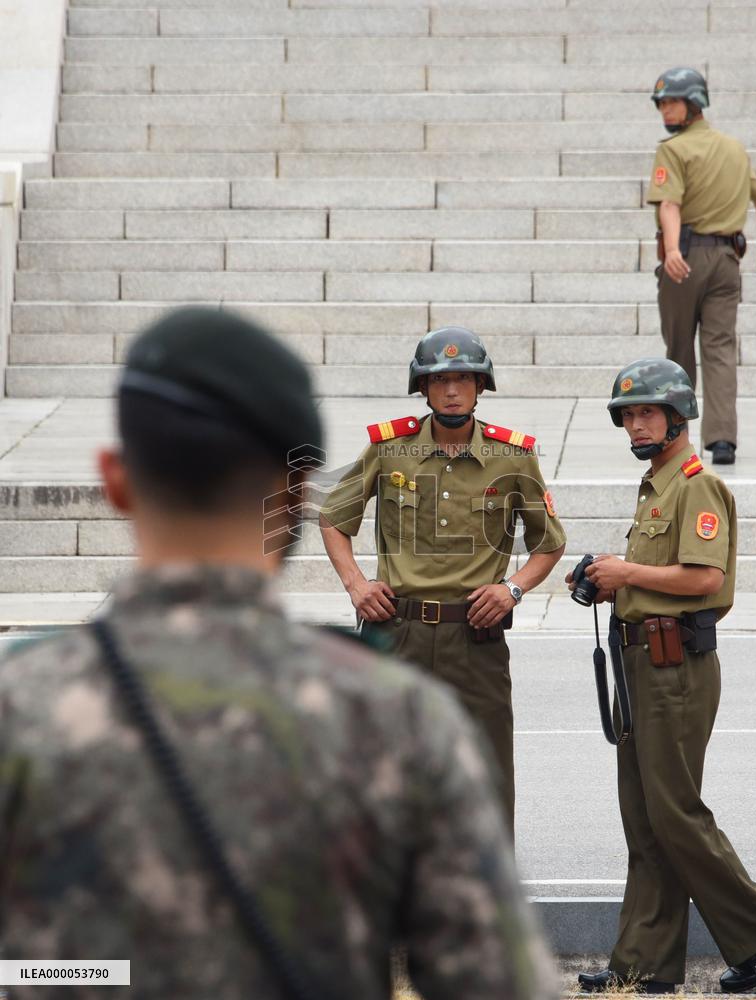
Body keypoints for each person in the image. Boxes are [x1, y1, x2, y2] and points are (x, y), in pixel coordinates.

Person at [0, 308, 558, 1000]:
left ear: (116, 480)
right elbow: (494, 983)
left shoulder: (20, 704)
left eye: (463, 378)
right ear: (291, 496)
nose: (451, 389)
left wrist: (79, 976)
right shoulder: (393, 719)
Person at [573, 358, 756, 994]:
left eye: (647, 412)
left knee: (674, 815)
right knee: (645, 820)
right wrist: (604, 583)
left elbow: (705, 581)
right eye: (628, 414)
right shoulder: (657, 485)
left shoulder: (694, 485)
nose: (635, 424)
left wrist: (627, 574)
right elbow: (654, 581)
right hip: (641, 662)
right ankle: (643, 967)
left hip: (676, 668)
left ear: (677, 416)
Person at [319, 326, 566, 832]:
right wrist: (356, 585)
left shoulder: (513, 458)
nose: (451, 390)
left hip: (475, 637)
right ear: (423, 389)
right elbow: (332, 517)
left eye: (462, 379)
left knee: (488, 775)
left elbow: (550, 542)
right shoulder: (390, 450)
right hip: (396, 632)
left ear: (480, 387)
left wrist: (513, 588)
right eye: (439, 380)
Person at [647, 66, 756, 466]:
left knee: (680, 347)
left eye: (672, 102)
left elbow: (669, 204)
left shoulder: (673, 150)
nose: (665, 111)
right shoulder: (734, 148)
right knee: (720, 349)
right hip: (727, 260)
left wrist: (671, 250)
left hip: (686, 258)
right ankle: (723, 440)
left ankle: (677, 434)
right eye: (662, 104)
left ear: (694, 103)